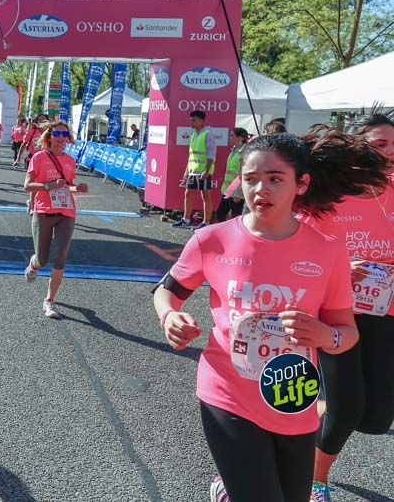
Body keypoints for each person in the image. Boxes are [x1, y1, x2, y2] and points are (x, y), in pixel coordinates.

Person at [153, 129, 390, 502]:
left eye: (275, 179)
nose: (261, 189)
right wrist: (170, 316)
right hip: (227, 391)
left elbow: (347, 332)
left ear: (301, 184)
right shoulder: (211, 239)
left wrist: (324, 335)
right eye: (251, 179)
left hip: (293, 397)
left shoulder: (328, 251)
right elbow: (167, 290)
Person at [306, 112, 394, 502]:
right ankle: (314, 480)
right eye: (380, 144)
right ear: (357, 146)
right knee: (345, 408)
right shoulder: (327, 193)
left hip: (386, 312)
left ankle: (305, 416)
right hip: (334, 312)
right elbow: (293, 246)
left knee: (375, 416)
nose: (390, 152)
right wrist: (340, 266)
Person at [23, 120, 87, 318]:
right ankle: (34, 263)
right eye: (57, 134)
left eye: (64, 134)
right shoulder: (39, 157)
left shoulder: (70, 161)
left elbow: (67, 185)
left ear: (68, 138)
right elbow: (27, 185)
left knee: (60, 256)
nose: (61, 138)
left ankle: (49, 300)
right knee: (43, 259)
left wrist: (77, 188)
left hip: (66, 212)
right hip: (43, 210)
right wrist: (49, 186)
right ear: (49, 137)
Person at [171, 110, 216, 229]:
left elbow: (211, 155)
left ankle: (206, 222)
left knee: (205, 196)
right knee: (188, 193)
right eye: (191, 120)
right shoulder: (194, 135)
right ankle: (186, 219)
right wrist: (186, 170)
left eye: (194, 120)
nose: (191, 122)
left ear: (201, 121)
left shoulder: (208, 134)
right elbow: (191, 155)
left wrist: (207, 171)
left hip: (203, 171)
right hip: (192, 171)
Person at [214, 128, 250, 223]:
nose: (229, 138)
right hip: (228, 191)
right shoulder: (234, 151)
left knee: (236, 218)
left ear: (240, 138)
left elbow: (244, 174)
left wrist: (239, 193)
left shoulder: (245, 152)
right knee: (220, 214)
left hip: (237, 193)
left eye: (232, 135)